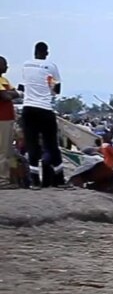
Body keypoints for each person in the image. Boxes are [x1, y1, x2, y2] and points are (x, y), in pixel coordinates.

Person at [20, 41, 65, 188]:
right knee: (51, 144)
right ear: (46, 53)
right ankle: (59, 180)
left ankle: (34, 181)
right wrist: (49, 86)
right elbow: (56, 90)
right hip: (44, 109)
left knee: (32, 144)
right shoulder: (51, 66)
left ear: (34, 52)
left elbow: (27, 83)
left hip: (28, 108)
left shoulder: (26, 65)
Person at [0, 56, 21, 188]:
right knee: (4, 151)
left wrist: (12, 93)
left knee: (10, 150)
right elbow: (7, 96)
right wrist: (13, 93)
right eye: (4, 64)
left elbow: (12, 93)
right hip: (2, 119)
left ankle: (11, 176)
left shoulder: (4, 80)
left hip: (8, 119)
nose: (7, 67)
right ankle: (3, 179)